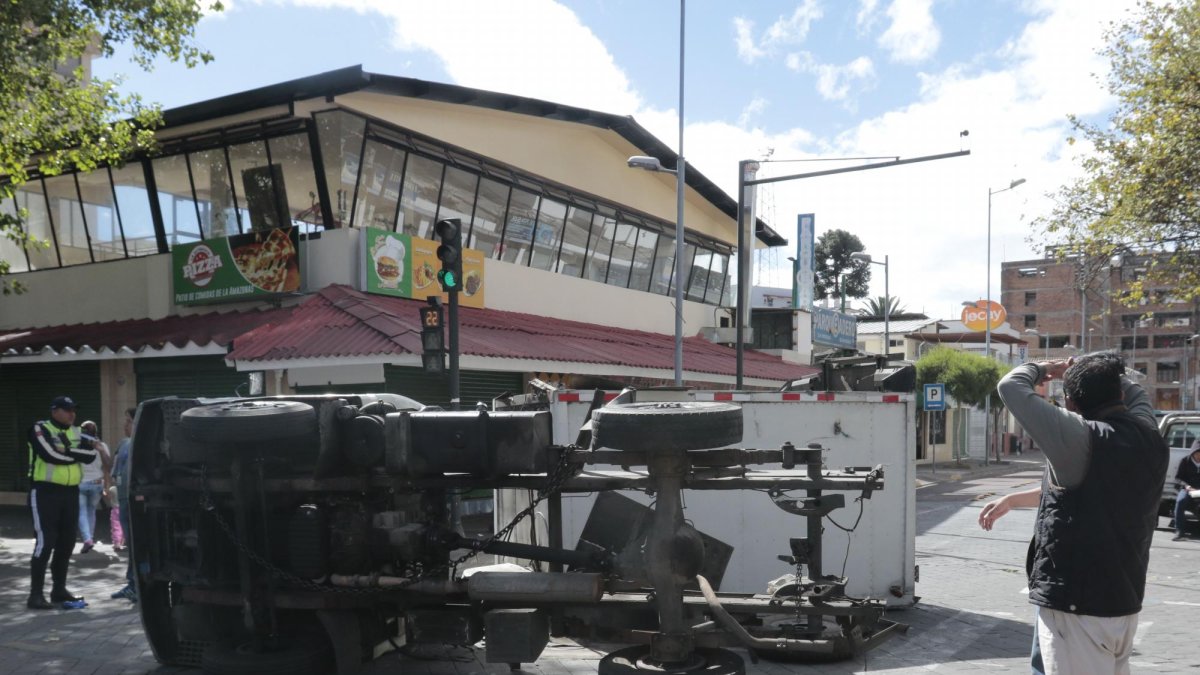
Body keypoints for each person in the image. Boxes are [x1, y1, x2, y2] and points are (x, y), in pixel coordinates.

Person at [978, 353, 1167, 675]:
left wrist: (1047, 368)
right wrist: (1013, 500)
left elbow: (1010, 386)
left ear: (1070, 403)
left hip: (1078, 608)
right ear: (1118, 394)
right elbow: (1088, 491)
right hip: (1123, 604)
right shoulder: (1149, 433)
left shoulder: (1079, 436)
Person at [27, 395, 99, 610]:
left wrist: (66, 451)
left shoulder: (77, 431)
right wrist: (74, 454)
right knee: (45, 542)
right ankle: (35, 595)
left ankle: (59, 589)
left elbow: (91, 455)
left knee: (67, 542)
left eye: (73, 410)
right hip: (45, 492)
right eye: (67, 410)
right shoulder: (40, 428)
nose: (72, 414)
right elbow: (49, 454)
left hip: (70, 493)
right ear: (54, 410)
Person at [110, 408, 137, 602]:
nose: (124, 425)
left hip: (129, 500)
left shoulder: (127, 444)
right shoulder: (129, 444)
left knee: (134, 545)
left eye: (128, 421)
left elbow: (115, 472)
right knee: (133, 545)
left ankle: (135, 585)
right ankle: (132, 583)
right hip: (126, 498)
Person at [76, 420, 112, 553]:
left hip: (80, 483)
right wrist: (107, 485)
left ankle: (87, 539)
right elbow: (106, 466)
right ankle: (89, 537)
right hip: (97, 483)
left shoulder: (77, 446)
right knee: (91, 511)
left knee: (81, 512)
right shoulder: (102, 446)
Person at [1172, 439, 1200, 541]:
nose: (1199, 456)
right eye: (1197, 453)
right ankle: (1179, 531)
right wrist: (1187, 487)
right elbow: (1178, 478)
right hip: (1187, 489)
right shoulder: (1185, 461)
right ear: (1193, 452)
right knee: (1180, 501)